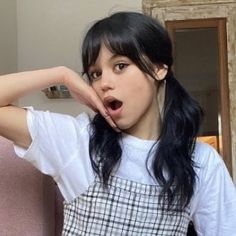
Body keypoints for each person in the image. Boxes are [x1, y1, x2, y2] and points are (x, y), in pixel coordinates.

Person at [0, 11, 235, 236]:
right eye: (95, 73)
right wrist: (61, 74)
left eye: (120, 66)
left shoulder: (202, 161)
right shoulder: (78, 141)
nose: (104, 83)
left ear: (159, 68)